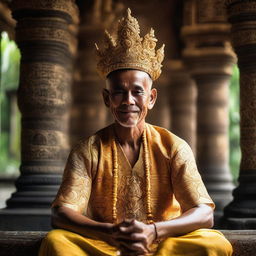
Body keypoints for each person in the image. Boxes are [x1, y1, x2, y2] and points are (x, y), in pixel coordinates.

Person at [39, 8, 233, 256]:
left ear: (151, 98)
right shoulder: (88, 149)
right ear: (107, 98)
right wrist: (112, 233)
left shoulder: (173, 146)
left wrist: (153, 231)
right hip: (107, 243)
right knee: (57, 242)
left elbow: (205, 213)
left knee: (214, 244)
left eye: (137, 92)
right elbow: (62, 213)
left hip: (163, 241)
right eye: (118, 92)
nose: (127, 101)